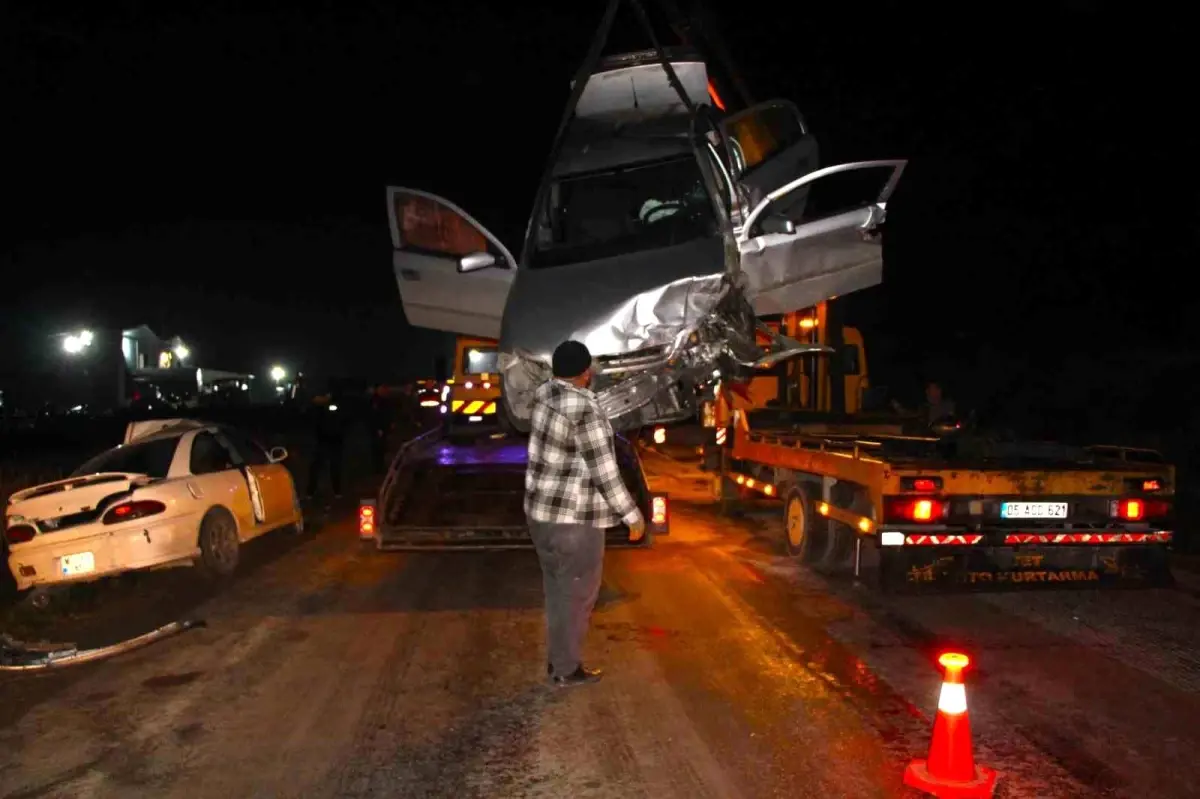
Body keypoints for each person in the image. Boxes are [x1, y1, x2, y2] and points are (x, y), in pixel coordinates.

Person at [525, 340, 646, 688]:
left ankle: (558, 660)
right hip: (574, 521)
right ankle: (566, 669)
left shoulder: (543, 397)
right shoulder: (584, 410)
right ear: (586, 373)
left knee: (557, 590)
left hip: (541, 517)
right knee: (577, 596)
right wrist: (632, 515)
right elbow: (604, 472)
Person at [305, 390, 346, 500]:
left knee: (334, 467)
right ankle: (311, 491)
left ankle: (337, 490)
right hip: (321, 441)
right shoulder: (315, 409)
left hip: (334, 440)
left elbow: (340, 419)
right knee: (316, 467)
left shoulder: (333, 406)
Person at [893, 380, 957, 428]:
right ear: (927, 391)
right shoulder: (922, 407)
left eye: (939, 389)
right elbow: (906, 415)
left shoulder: (948, 405)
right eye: (935, 389)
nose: (938, 392)